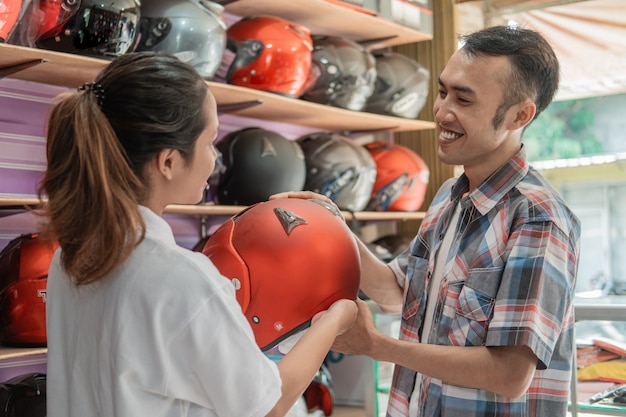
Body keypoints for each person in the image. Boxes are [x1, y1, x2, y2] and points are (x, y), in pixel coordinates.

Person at [272, 25, 581, 417]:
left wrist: (378, 346)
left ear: (520, 114)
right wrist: (330, 226)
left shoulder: (539, 219)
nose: (441, 111)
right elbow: (396, 292)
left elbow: (509, 373)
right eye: (442, 92)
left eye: (464, 100)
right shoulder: (448, 200)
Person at [38, 51, 357, 417]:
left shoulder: (71, 254)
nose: (214, 159)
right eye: (209, 142)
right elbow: (267, 406)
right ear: (169, 162)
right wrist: (334, 318)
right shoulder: (182, 277)